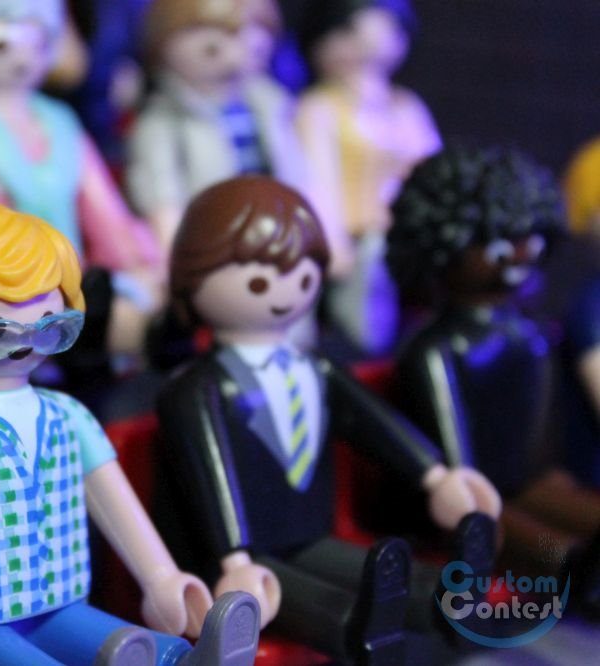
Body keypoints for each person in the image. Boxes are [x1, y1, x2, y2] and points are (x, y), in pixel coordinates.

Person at [0, 201, 266, 666]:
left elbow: (115, 500)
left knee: (141, 648)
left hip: (59, 603)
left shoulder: (68, 415)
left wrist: (162, 578)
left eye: (47, 324)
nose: (23, 341)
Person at [158, 175, 500, 664]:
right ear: (192, 278)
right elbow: (210, 479)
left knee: (377, 575)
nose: (283, 294)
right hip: (235, 561)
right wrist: (232, 556)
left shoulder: (314, 370)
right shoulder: (197, 389)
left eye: (302, 279)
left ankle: (441, 597)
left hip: (309, 534)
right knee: (311, 601)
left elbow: (372, 423)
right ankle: (356, 627)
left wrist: (434, 475)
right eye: (259, 282)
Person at [387, 145, 600, 610]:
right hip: (470, 500)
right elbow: (453, 456)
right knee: (560, 555)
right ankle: (577, 588)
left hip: (530, 485)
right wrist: (475, 514)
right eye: (499, 246)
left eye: (530, 240)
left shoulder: (532, 337)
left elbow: (542, 441)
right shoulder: (434, 350)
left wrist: (556, 483)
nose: (520, 255)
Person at [0, 0, 163, 371]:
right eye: (1, 44)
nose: (23, 56)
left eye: (38, 42)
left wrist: (134, 262)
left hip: (73, 277)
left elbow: (102, 209)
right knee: (112, 323)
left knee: (137, 305)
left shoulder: (59, 120)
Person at [295, 0, 440, 354]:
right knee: (372, 275)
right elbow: (316, 180)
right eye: (344, 32)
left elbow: (432, 168)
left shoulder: (405, 106)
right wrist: (331, 242)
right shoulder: (319, 108)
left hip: (409, 234)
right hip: (357, 238)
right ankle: (368, 349)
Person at [126, 0, 307, 254]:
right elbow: (161, 198)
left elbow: (300, 177)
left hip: (279, 239)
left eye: (239, 29)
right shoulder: (164, 121)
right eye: (200, 28)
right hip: (212, 247)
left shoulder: (271, 105)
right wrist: (179, 256)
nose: (226, 44)